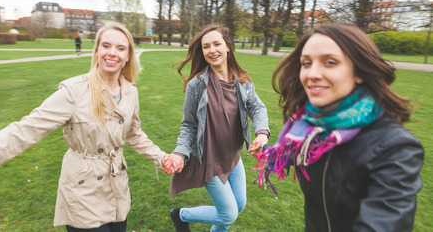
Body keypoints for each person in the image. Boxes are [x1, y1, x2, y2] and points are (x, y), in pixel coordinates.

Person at [0, 21, 170, 231]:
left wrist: (160, 157)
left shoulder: (130, 91)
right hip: (82, 190)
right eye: (106, 45)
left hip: (117, 187)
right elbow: (25, 130)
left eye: (120, 48)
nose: (112, 53)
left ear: (128, 56)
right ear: (97, 50)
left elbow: (134, 134)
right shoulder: (74, 91)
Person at [254, 23, 424, 231]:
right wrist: (265, 148)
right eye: (306, 63)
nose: (312, 74)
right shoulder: (313, 131)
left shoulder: (396, 148)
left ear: (358, 71)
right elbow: (310, 154)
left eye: (330, 62)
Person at [163, 24, 270, 232]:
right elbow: (189, 125)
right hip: (209, 160)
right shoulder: (197, 85)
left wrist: (262, 134)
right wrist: (179, 153)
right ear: (202, 52)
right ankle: (181, 215)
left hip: (232, 156)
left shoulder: (242, 80)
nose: (212, 50)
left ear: (228, 46)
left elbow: (257, 107)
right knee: (228, 213)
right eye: (206, 46)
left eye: (216, 44)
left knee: (239, 206)